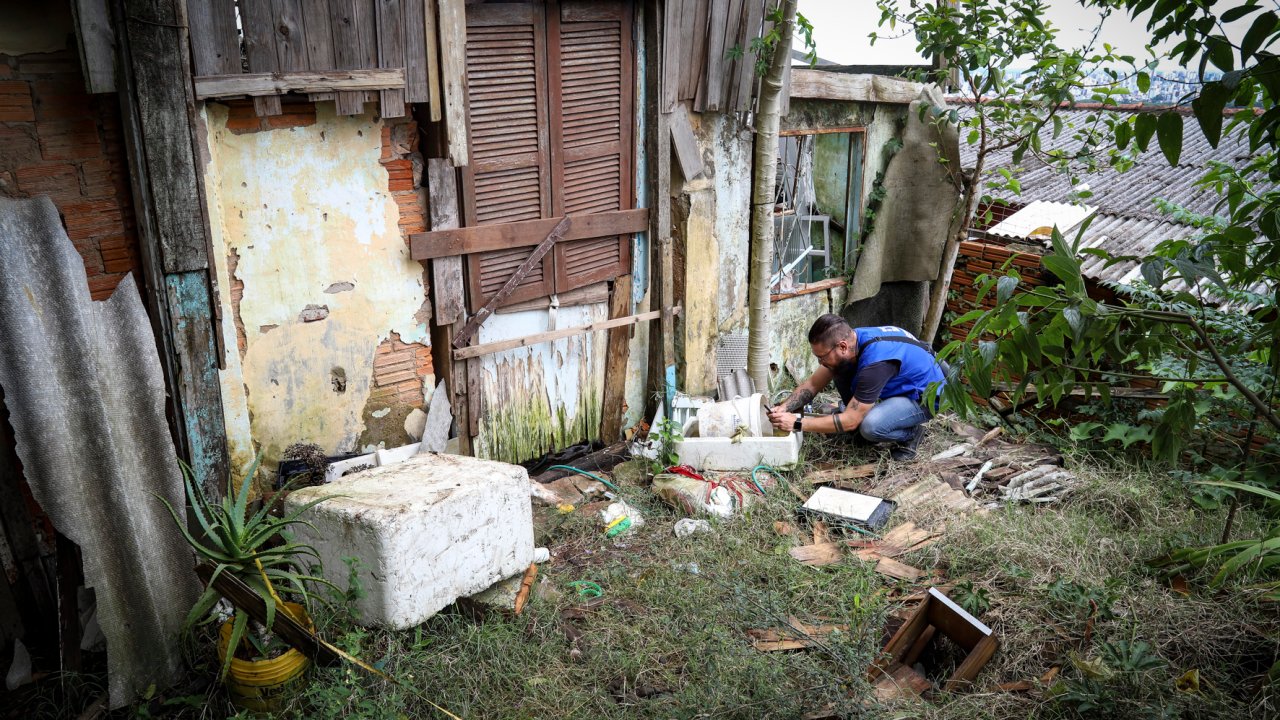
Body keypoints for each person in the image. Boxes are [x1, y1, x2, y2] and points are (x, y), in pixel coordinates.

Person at [767, 314, 945, 461]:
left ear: (842, 346)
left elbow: (850, 420)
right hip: (902, 382)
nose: (819, 362)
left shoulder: (875, 365)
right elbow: (813, 384)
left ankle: (911, 433)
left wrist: (797, 423)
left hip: (925, 396)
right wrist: (784, 407)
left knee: (870, 427)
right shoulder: (853, 339)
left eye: (821, 357)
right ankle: (862, 415)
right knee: (836, 368)